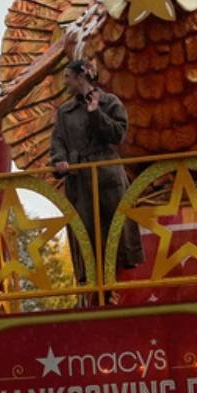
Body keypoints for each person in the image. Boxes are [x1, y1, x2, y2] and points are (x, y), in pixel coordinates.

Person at [49, 59, 144, 280]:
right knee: (85, 233)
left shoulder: (109, 102)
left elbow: (118, 134)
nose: (65, 81)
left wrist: (95, 114)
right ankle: (93, 289)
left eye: (68, 76)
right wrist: (59, 162)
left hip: (107, 175)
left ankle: (117, 289)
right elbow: (58, 142)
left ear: (81, 76)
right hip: (79, 179)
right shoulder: (65, 112)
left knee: (116, 231)